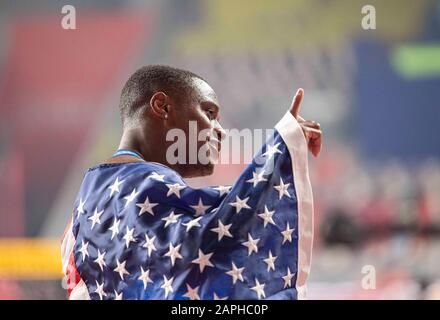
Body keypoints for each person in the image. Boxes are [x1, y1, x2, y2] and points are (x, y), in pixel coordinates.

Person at [61, 65, 322, 300]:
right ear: (162, 106)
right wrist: (282, 153)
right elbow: (214, 240)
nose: (220, 129)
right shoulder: (139, 188)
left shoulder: (89, 198)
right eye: (209, 112)